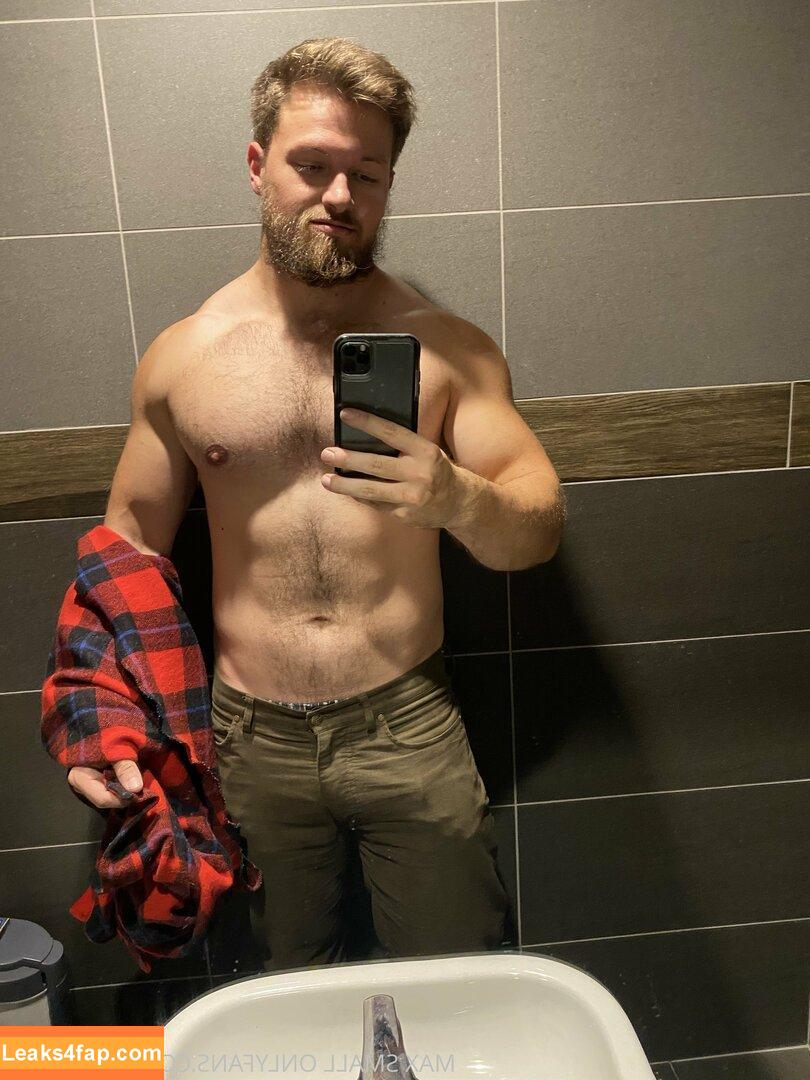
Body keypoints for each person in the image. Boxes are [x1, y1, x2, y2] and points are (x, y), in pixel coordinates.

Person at [66, 37, 565, 970]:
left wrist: (456, 496)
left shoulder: (449, 348)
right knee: (275, 990)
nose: (339, 196)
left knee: (461, 980)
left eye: (365, 174)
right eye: (312, 166)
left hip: (407, 721)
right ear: (258, 165)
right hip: (249, 739)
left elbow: (535, 529)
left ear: (388, 185)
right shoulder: (185, 355)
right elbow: (125, 556)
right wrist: (101, 720)